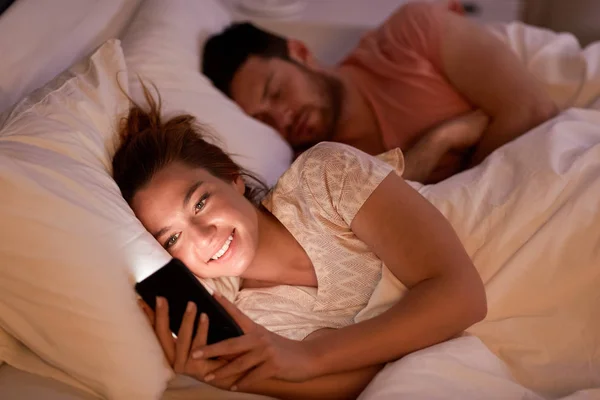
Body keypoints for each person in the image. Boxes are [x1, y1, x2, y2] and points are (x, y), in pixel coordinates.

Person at [112, 84, 487, 399]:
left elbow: (462, 294)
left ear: (232, 177)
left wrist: (308, 356)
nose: (204, 236)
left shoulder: (323, 176)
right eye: (174, 237)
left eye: (201, 202)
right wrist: (244, 375)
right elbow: (370, 382)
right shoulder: (254, 318)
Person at [202, 1, 558, 183]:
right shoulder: (319, 167)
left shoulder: (409, 37)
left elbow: (532, 111)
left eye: (277, 92)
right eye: (263, 119)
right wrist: (441, 141)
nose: (282, 118)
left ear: (301, 53)